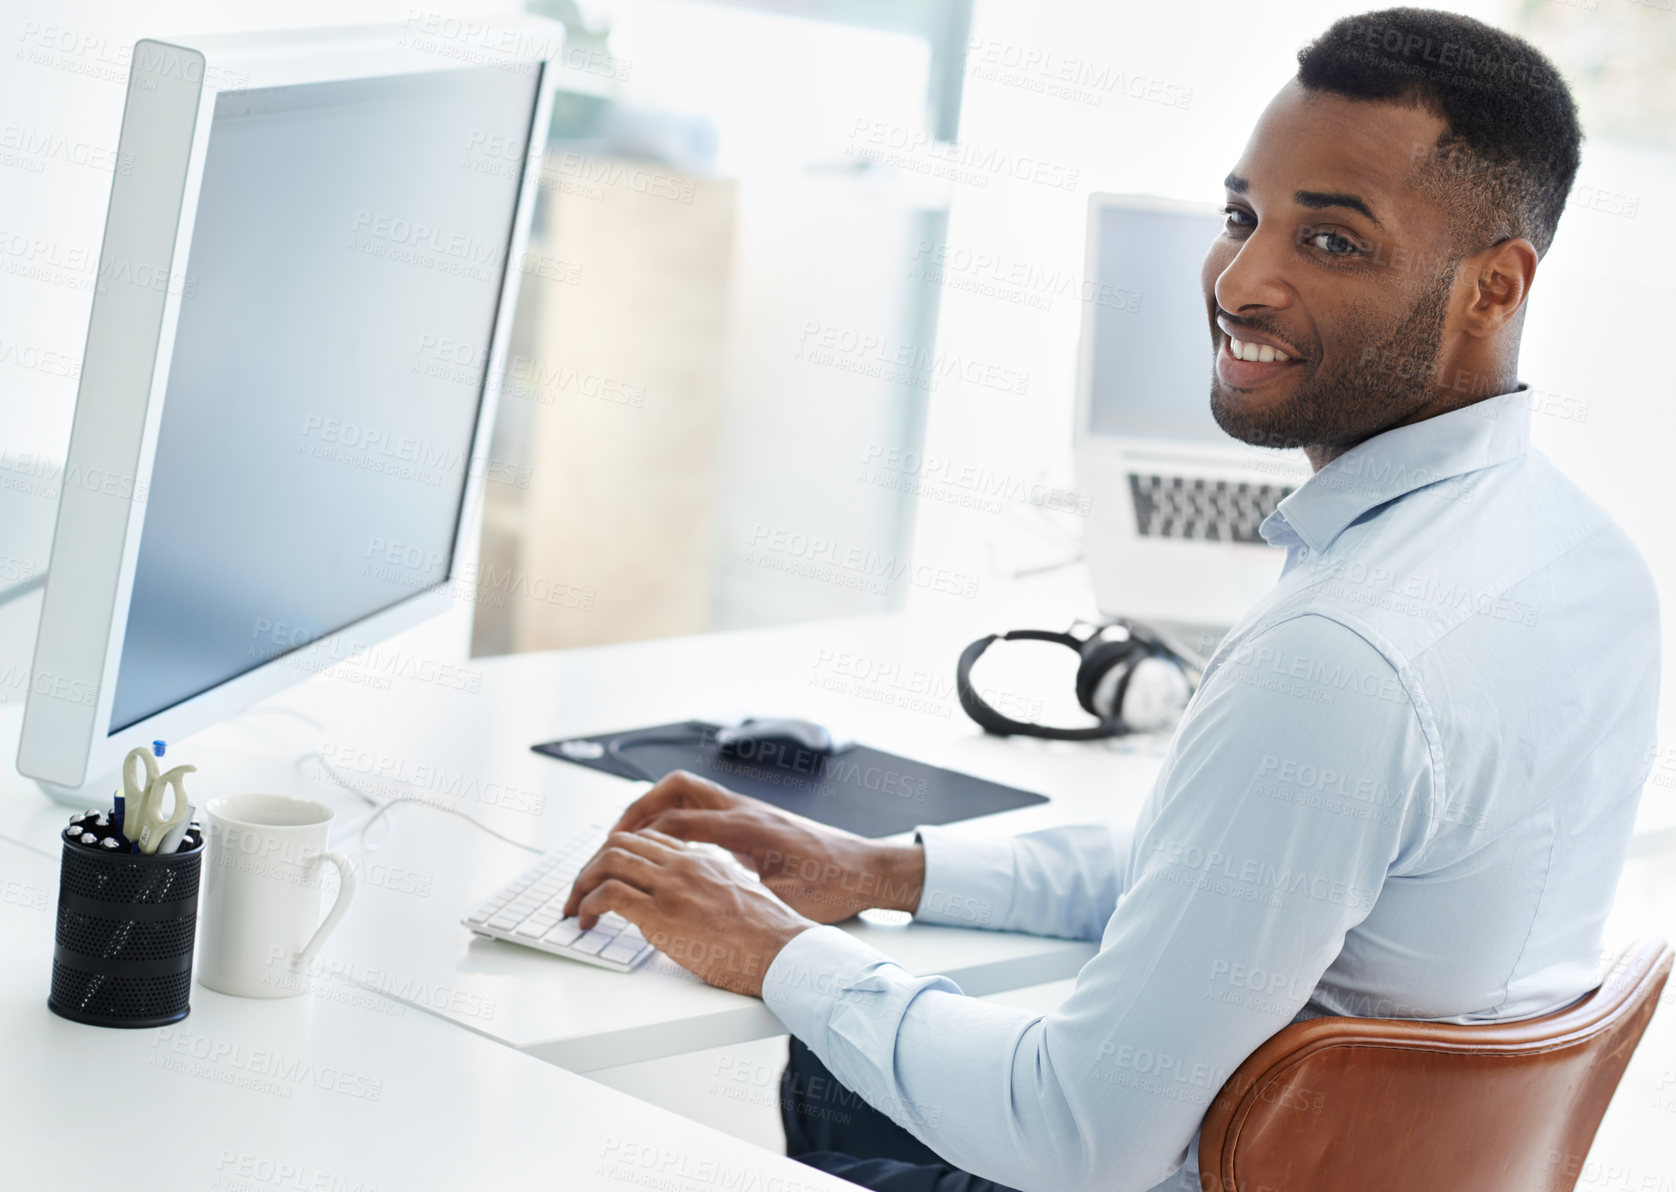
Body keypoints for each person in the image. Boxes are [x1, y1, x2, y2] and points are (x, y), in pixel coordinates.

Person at [564, 9, 1661, 1191]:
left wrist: (774, 946)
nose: (1240, 282)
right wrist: (886, 869)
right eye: (1241, 218)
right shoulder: (1585, 561)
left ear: (1491, 288)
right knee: (833, 1063)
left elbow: (1078, 1140)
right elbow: (1220, 873)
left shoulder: (1342, 659)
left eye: (1332, 243)